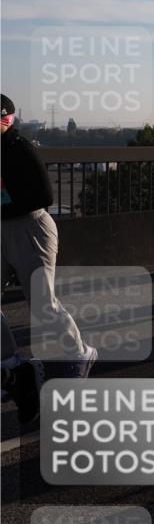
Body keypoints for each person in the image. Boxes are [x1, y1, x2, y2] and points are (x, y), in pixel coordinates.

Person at [1, 94, 97, 380]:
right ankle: (8, 363)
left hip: (32, 229)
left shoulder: (20, 148)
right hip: (2, 228)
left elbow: (44, 196)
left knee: (42, 303)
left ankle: (79, 353)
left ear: (6, 118)